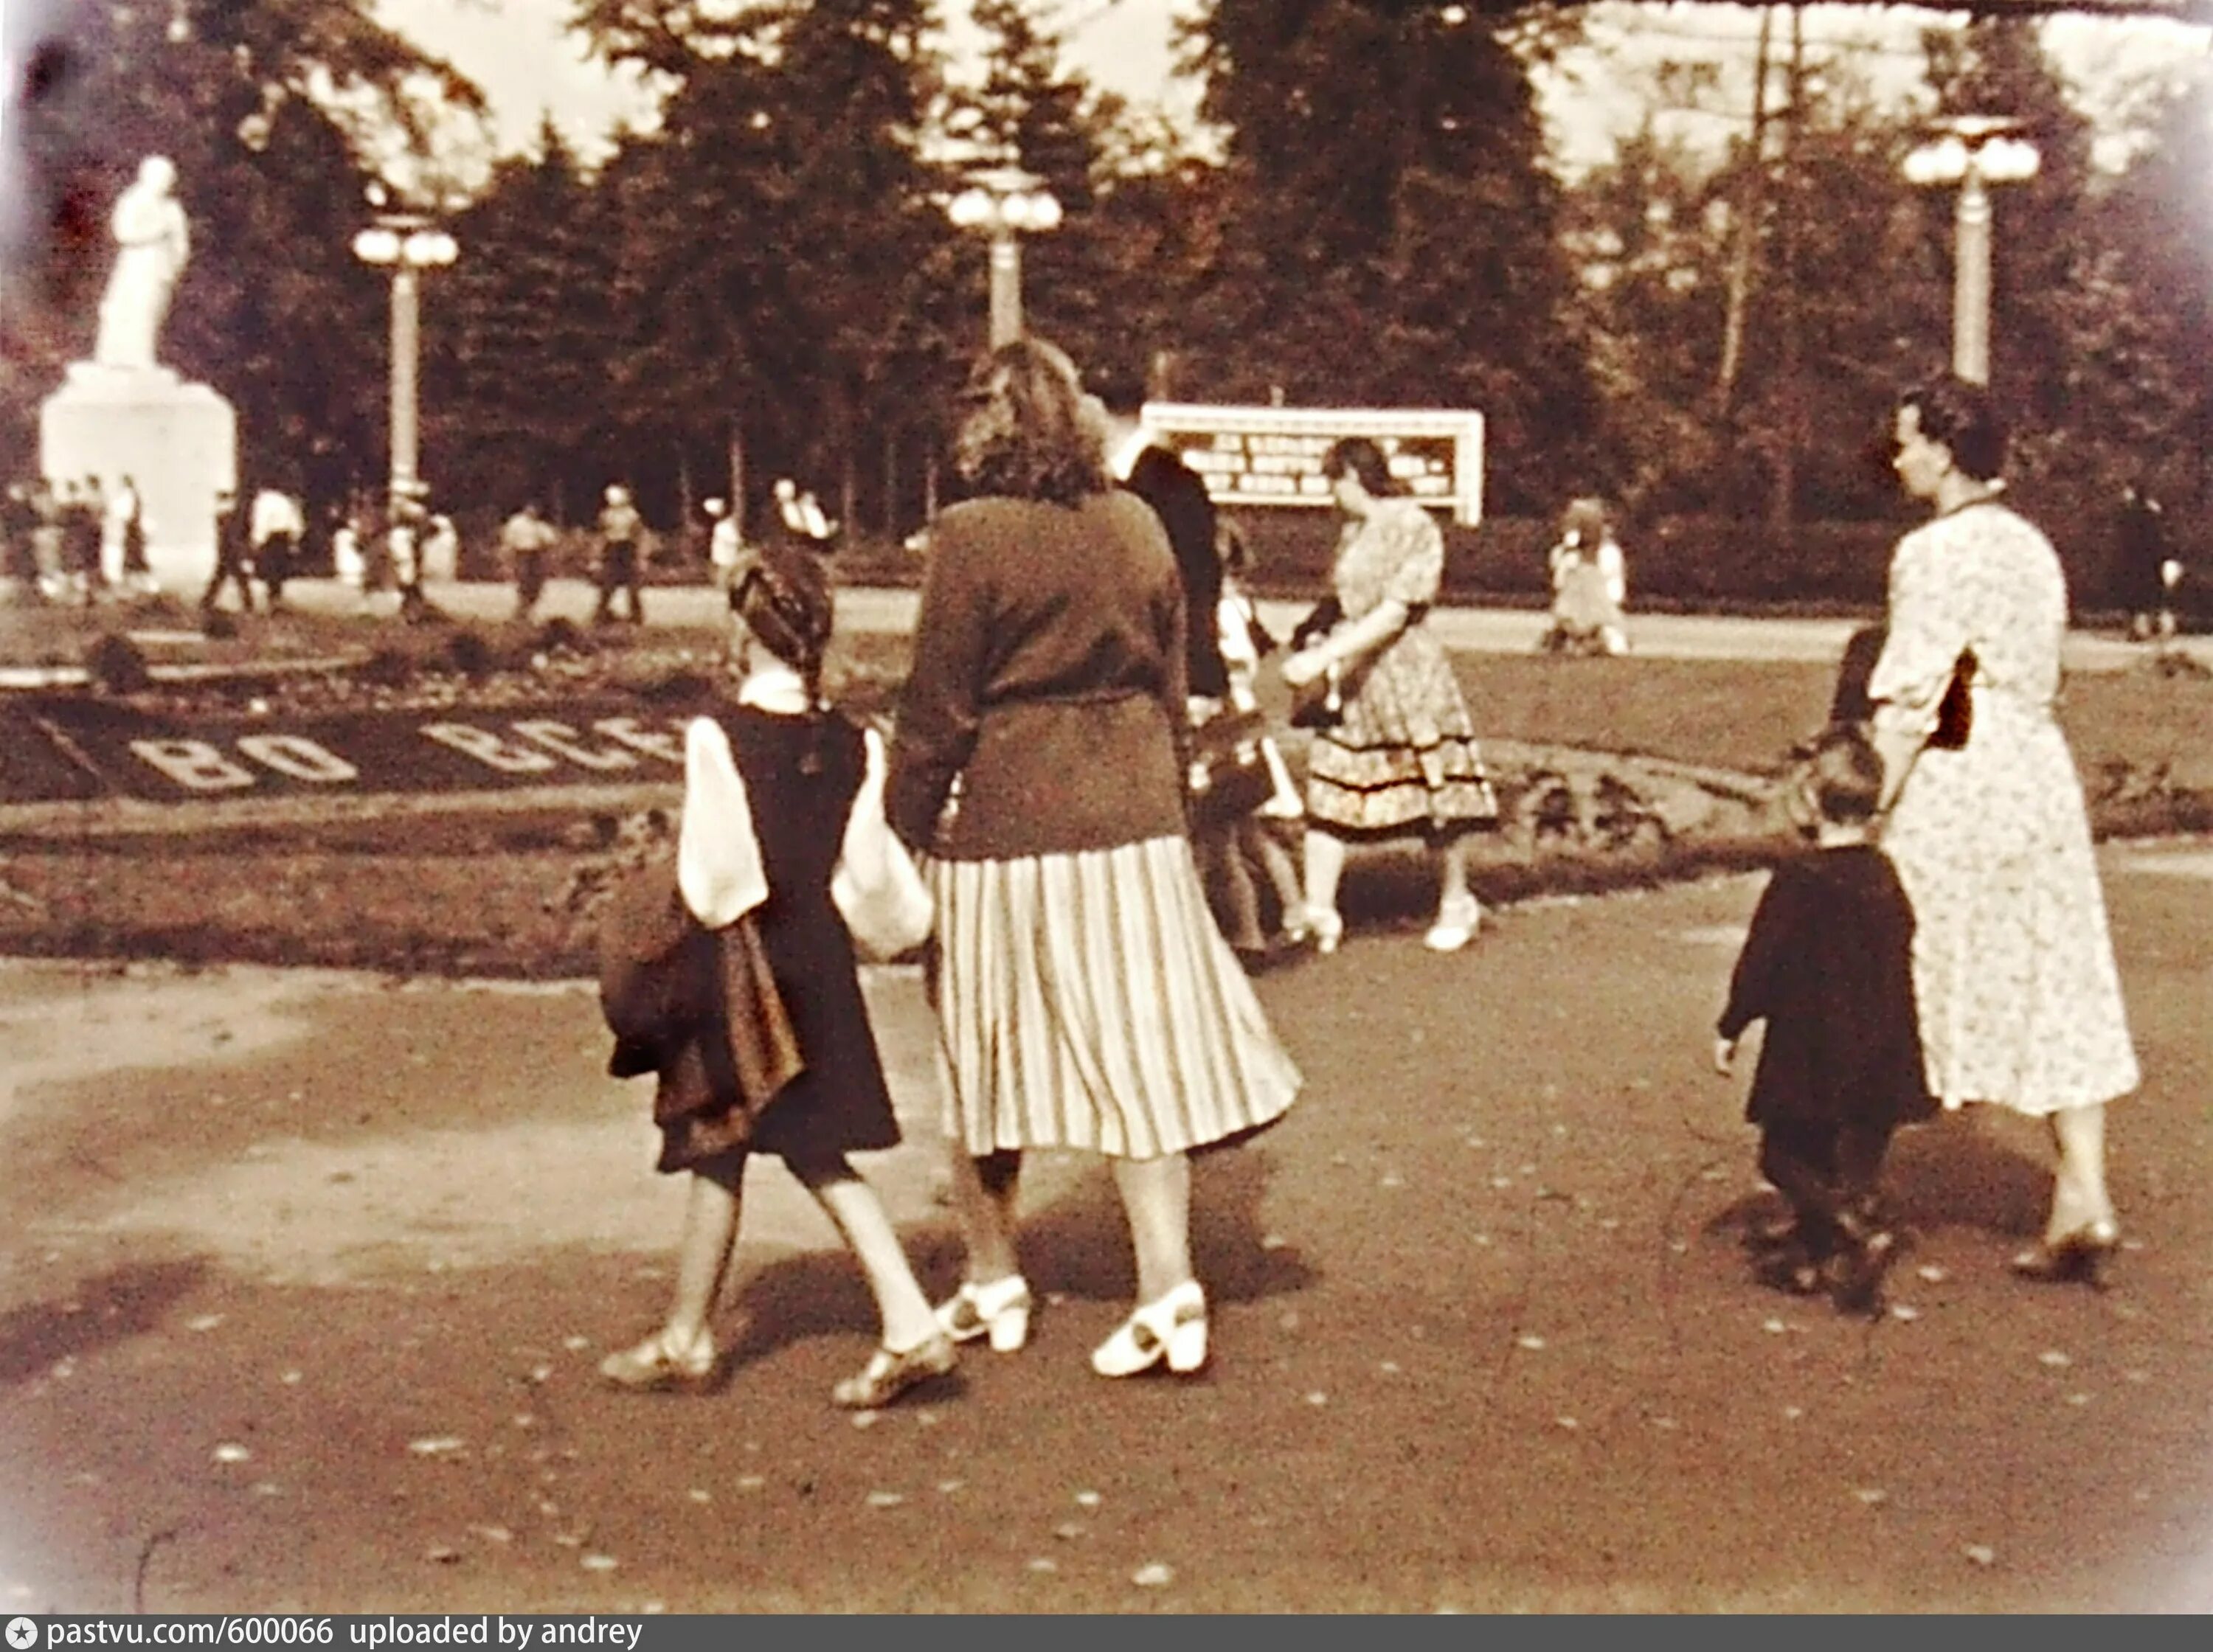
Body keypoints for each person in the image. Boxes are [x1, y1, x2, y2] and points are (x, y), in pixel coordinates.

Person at [887, 338, 1301, 1377]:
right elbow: (1170, 681)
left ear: (987, 424)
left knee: (983, 1056)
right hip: (1134, 819)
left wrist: (898, 830)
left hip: (1008, 822)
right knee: (1139, 1057)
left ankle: (993, 1279)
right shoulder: (1137, 523)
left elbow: (937, 711)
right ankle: (1169, 1287)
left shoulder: (969, 537)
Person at [598, 542, 955, 1408]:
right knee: (738, 1144)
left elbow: (716, 879)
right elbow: (870, 879)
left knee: (779, 1144)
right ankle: (689, 1331)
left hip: (741, 969)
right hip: (819, 965)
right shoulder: (855, 742)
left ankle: (906, 1323)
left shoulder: (719, 735)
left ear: (741, 629)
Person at [1869, 375, 2140, 1285]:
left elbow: (1921, 691)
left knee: (1897, 957)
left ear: (1944, 450)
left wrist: (1872, 802)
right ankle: (2085, 1190)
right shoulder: (2032, 547)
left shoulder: (1930, 552)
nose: (1898, 456)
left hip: (1963, 771)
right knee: (2054, 970)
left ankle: (1844, 1188)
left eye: (1907, 441)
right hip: (2035, 771)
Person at [1714, 724, 1934, 1315]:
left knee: (1782, 1157)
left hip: (1813, 1048)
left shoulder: (1799, 879)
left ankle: (1847, 1227)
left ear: (1811, 800)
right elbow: (1905, 940)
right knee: (1844, 1156)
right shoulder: (1886, 874)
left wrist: (1732, 1025)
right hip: (1880, 1045)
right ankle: (1815, 1254)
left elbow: (1762, 959)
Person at [1279, 437, 1500, 954]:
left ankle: (1456, 901)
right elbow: (1342, 600)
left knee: (1433, 791)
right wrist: (1315, 636)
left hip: (1406, 673)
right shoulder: (1354, 531)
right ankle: (1319, 910)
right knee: (1332, 785)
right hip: (1355, 678)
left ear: (1353, 478)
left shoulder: (1413, 525)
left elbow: (1396, 611)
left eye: (1334, 483)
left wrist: (1325, 657)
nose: (1332, 497)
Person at [1212, 516, 1307, 962]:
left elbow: (1233, 660)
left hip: (1229, 726)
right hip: (1243, 723)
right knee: (1252, 837)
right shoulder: (1242, 605)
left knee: (1228, 837)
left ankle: (1255, 928)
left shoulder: (1220, 608)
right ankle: (1291, 914)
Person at [94, 156, 189, 370]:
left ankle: (143, 353)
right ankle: (123, 356)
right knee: (132, 307)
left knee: (153, 309)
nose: (165, 182)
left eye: (168, 178)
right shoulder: (132, 200)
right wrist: (155, 232)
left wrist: (175, 264)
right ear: (147, 176)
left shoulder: (171, 208)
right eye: (161, 177)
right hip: (136, 263)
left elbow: (180, 241)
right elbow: (124, 233)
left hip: (161, 267)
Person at [1540, 498, 1630, 657]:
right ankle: (1589, 641)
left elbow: (1571, 542)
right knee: (1591, 612)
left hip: (1581, 571)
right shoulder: (1600, 533)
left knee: (1575, 612)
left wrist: (1567, 551)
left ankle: (1580, 641)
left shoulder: (1577, 530)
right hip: (1591, 570)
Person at [2114, 482, 2178, 644]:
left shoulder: (2132, 514)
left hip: (2139, 561)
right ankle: (2164, 627)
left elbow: (2128, 540)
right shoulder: (2154, 512)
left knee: (2140, 599)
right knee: (2158, 597)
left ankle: (2142, 630)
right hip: (2155, 560)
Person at [594, 484, 645, 625]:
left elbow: (638, 535)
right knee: (608, 584)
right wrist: (597, 557)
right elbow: (601, 535)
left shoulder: (632, 515)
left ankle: (636, 616)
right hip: (612, 548)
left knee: (633, 586)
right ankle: (600, 615)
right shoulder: (606, 515)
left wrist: (640, 556)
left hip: (627, 548)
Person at [499, 501, 558, 622]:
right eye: (532, 508)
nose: (534, 512)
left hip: (536, 554)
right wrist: (507, 556)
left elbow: (551, 540)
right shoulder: (516, 522)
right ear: (526, 508)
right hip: (522, 553)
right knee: (524, 581)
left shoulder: (540, 526)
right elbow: (509, 539)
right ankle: (521, 610)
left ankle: (528, 609)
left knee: (536, 583)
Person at [201, 487, 256, 616]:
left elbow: (226, 536)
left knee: (220, 578)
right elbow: (233, 536)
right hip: (231, 552)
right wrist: (240, 551)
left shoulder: (221, 515)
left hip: (225, 551)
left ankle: (206, 601)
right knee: (240, 579)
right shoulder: (229, 516)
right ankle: (248, 604)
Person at [250, 485, 303, 612]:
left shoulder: (263, 502)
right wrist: (294, 539)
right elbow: (295, 521)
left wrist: (257, 540)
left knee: (270, 569)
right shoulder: (285, 501)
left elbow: (261, 521)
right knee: (280, 569)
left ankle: (273, 599)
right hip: (284, 536)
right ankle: (277, 597)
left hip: (271, 537)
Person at [704, 496, 747, 594]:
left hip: (726, 559)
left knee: (725, 581)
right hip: (722, 558)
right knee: (722, 579)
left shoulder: (724, 527)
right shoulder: (722, 526)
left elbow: (735, 541)